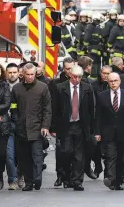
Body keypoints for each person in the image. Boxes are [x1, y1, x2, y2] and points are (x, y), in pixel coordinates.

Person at [51, 65, 95, 191]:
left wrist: (91, 127)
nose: (77, 79)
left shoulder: (87, 88)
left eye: (80, 77)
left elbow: (92, 109)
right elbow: (55, 109)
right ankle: (66, 176)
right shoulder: (60, 88)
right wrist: (53, 127)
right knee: (65, 152)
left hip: (80, 125)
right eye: (75, 76)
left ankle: (77, 181)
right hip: (66, 125)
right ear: (70, 75)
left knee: (79, 155)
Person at [11, 63, 52, 191]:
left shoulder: (43, 88)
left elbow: (47, 109)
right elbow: (13, 107)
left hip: (37, 128)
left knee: (37, 156)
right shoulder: (17, 89)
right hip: (22, 129)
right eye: (27, 74)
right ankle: (29, 183)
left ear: (35, 74)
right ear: (23, 74)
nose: (29, 77)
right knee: (25, 158)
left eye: (32, 74)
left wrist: (45, 126)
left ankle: (37, 179)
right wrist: (17, 121)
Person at [95, 72, 124, 191]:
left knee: (120, 157)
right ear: (107, 82)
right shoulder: (102, 96)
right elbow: (98, 116)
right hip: (107, 131)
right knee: (110, 155)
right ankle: (110, 177)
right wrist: (97, 132)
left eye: (115, 81)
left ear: (120, 81)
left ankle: (117, 182)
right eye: (111, 81)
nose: (113, 83)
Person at [49, 57, 76, 187]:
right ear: (63, 68)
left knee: (73, 152)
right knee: (61, 151)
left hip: (75, 123)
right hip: (61, 123)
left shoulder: (80, 80)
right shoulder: (55, 84)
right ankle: (60, 175)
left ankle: (71, 177)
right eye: (67, 69)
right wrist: (52, 126)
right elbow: (52, 106)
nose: (69, 71)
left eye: (71, 68)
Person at [5, 63, 22, 190]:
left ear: (18, 73)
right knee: (9, 155)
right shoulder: (2, 87)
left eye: (14, 72)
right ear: (6, 73)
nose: (12, 75)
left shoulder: (23, 86)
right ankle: (12, 180)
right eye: (9, 72)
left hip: (21, 124)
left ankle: (20, 175)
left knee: (21, 154)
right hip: (7, 125)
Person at [83, 13, 103, 78]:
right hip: (93, 50)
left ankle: (95, 79)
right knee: (94, 65)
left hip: (95, 50)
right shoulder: (91, 27)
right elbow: (87, 38)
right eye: (97, 21)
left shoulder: (94, 27)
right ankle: (93, 79)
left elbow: (87, 38)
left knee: (96, 65)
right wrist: (86, 47)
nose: (98, 22)